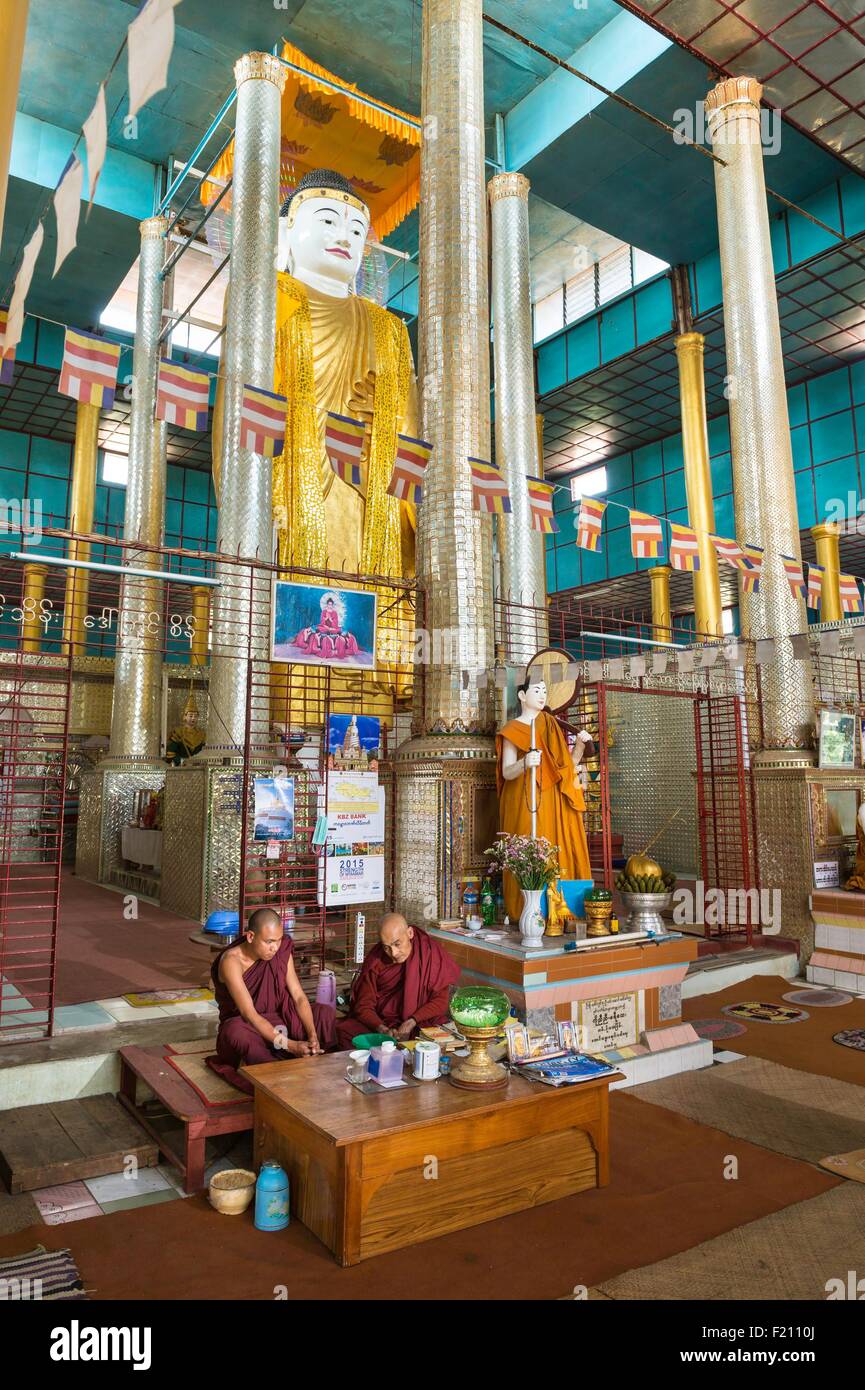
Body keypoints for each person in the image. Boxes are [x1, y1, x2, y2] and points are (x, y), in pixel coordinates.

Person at [496, 677, 593, 922]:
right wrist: (524, 762)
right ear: (521, 695)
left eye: (545, 691)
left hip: (551, 799)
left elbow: (566, 769)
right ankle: (526, 912)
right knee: (528, 851)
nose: (542, 695)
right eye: (536, 690)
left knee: (554, 851)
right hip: (522, 798)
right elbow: (507, 771)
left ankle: (558, 911)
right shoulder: (512, 729)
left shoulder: (550, 725)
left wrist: (579, 747)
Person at [209, 907, 335, 1094]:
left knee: (324, 1013)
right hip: (250, 1026)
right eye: (269, 942)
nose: (275, 948)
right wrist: (291, 1046)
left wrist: (312, 1035)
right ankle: (276, 1071)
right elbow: (249, 1014)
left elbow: (299, 996)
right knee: (234, 1031)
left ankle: (313, 1055)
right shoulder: (231, 961)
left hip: (279, 1018)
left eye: (278, 941)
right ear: (251, 936)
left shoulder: (281, 950)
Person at [335, 912, 460, 1051]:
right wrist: (381, 1028)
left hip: (419, 1023)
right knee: (344, 1031)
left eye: (397, 944)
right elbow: (363, 1005)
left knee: (439, 1038)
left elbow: (440, 1002)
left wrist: (412, 1021)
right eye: (386, 947)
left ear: (410, 933)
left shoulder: (428, 953)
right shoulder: (376, 960)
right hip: (385, 1025)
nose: (393, 953)